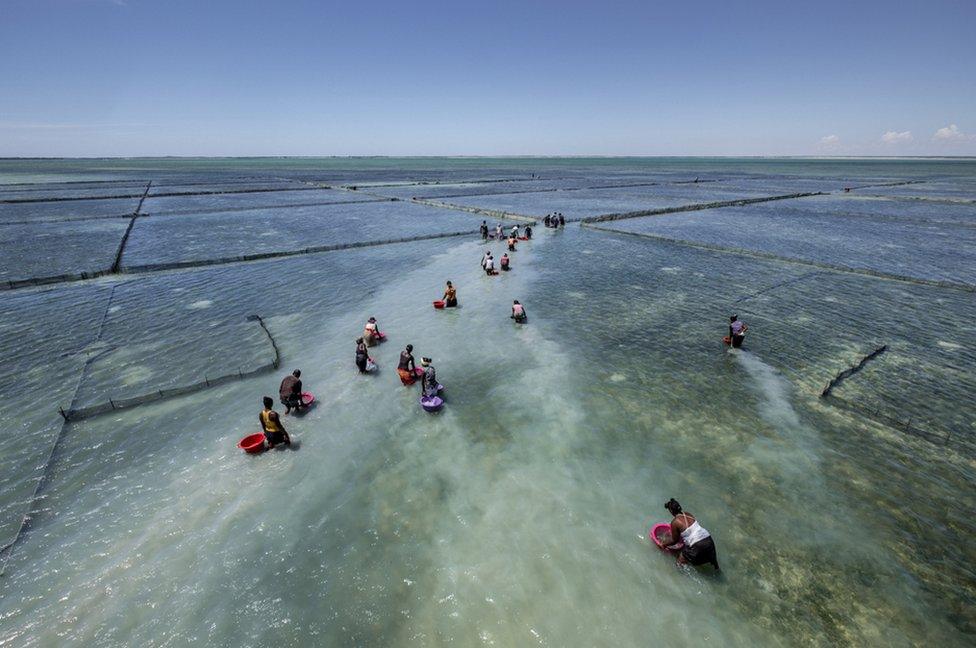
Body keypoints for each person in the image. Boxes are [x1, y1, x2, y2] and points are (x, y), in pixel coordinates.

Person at [661, 498, 719, 570]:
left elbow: (674, 540)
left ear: (671, 511)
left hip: (698, 544)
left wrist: (663, 544)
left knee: (680, 561)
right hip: (708, 539)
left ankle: (677, 576)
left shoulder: (675, 522)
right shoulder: (688, 514)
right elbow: (689, 530)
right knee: (713, 564)